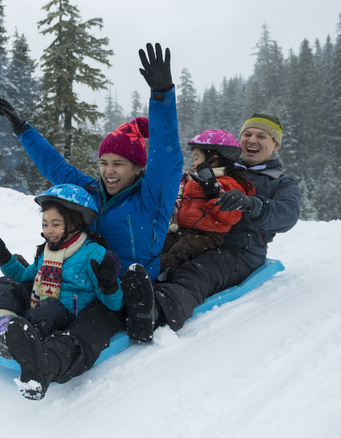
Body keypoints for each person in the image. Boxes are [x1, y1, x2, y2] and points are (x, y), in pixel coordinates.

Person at [0, 42, 182, 400]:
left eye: (118, 164)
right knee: (7, 295)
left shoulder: (153, 198)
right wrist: (22, 129)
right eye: (104, 163)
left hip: (115, 290)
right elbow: (54, 166)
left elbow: (167, 156)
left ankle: (44, 364)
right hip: (71, 272)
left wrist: (162, 95)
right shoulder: (93, 191)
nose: (109, 172)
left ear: (137, 168)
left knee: (90, 329)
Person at [124, 112, 301, 344]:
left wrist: (251, 204)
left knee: (196, 272)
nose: (252, 140)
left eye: (261, 136)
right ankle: (125, 293)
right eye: (247, 134)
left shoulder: (280, 182)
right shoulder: (219, 168)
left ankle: (157, 311)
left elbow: (287, 215)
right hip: (196, 236)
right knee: (156, 255)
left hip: (238, 251)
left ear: (275, 145)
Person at [0, 184, 123, 359]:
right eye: (45, 224)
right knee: (4, 284)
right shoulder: (48, 251)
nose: (48, 231)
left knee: (50, 308)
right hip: (39, 308)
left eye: (56, 224)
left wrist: (108, 286)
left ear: (75, 224)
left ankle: (18, 337)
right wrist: (3, 257)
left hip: (66, 317)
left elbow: (113, 305)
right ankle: (4, 327)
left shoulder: (93, 253)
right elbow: (24, 278)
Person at [159, 129, 255, 280]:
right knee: (158, 246)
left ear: (214, 158)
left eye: (196, 157)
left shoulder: (230, 182)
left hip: (207, 235)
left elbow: (232, 216)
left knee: (179, 253)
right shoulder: (191, 180)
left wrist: (213, 193)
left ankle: (165, 279)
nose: (193, 162)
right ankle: (142, 269)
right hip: (183, 230)